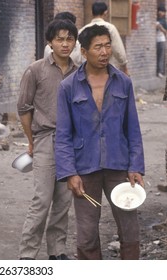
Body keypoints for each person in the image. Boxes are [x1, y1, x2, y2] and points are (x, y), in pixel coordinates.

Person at [55, 24, 145, 260]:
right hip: (84, 169)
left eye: (107, 45)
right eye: (98, 47)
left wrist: (135, 166)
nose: (105, 52)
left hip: (119, 166)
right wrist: (69, 173)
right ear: (84, 52)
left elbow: (132, 128)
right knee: (86, 234)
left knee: (130, 230)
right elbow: (63, 135)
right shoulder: (68, 87)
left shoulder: (123, 82)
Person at [17, 19, 78, 260]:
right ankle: (27, 255)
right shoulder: (36, 70)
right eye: (59, 39)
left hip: (72, 143)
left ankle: (57, 252)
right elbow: (23, 108)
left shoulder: (79, 72)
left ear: (75, 42)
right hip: (46, 138)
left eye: (69, 39)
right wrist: (32, 140)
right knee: (42, 200)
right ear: (50, 42)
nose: (65, 44)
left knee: (63, 201)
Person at [70, 2, 129, 75]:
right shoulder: (110, 28)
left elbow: (76, 55)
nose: (103, 52)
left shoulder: (83, 30)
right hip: (107, 71)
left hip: (87, 71)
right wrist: (124, 65)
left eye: (107, 46)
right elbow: (118, 50)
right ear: (105, 13)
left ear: (92, 13)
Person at [156, 5, 167, 78]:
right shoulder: (156, 19)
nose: (161, 13)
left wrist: (160, 27)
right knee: (156, 56)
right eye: (160, 11)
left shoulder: (164, 21)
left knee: (160, 56)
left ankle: (160, 72)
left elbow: (165, 32)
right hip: (155, 40)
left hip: (161, 40)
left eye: (162, 12)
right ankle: (157, 70)